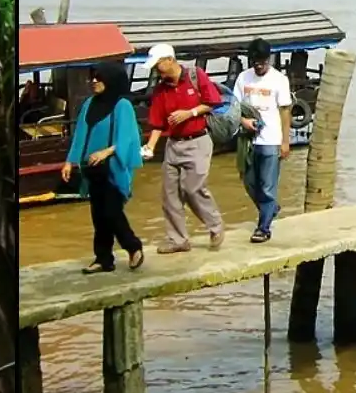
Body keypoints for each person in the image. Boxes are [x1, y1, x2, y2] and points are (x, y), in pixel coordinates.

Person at [139, 43, 225, 253]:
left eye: (158, 64)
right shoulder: (160, 90)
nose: (156, 70)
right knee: (170, 194)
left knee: (193, 188)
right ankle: (178, 239)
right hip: (173, 145)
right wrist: (149, 146)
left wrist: (190, 113)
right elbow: (158, 122)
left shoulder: (196, 76)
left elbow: (213, 102)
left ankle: (215, 226)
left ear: (170, 60)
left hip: (198, 140)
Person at [61, 60, 144, 273]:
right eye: (93, 77)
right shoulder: (90, 104)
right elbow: (80, 134)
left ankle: (133, 247)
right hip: (93, 171)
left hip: (113, 168)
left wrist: (106, 152)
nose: (94, 81)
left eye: (99, 78)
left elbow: (128, 138)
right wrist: (70, 161)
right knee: (98, 215)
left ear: (112, 80)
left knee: (112, 212)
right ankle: (103, 258)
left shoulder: (122, 105)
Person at [233, 38, 292, 243]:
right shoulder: (243, 78)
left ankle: (263, 228)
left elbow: (285, 111)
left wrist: (285, 141)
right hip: (248, 140)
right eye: (255, 62)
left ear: (269, 60)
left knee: (267, 186)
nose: (259, 66)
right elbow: (234, 107)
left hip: (271, 140)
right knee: (249, 182)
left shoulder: (279, 80)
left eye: (262, 62)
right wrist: (243, 121)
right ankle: (271, 208)